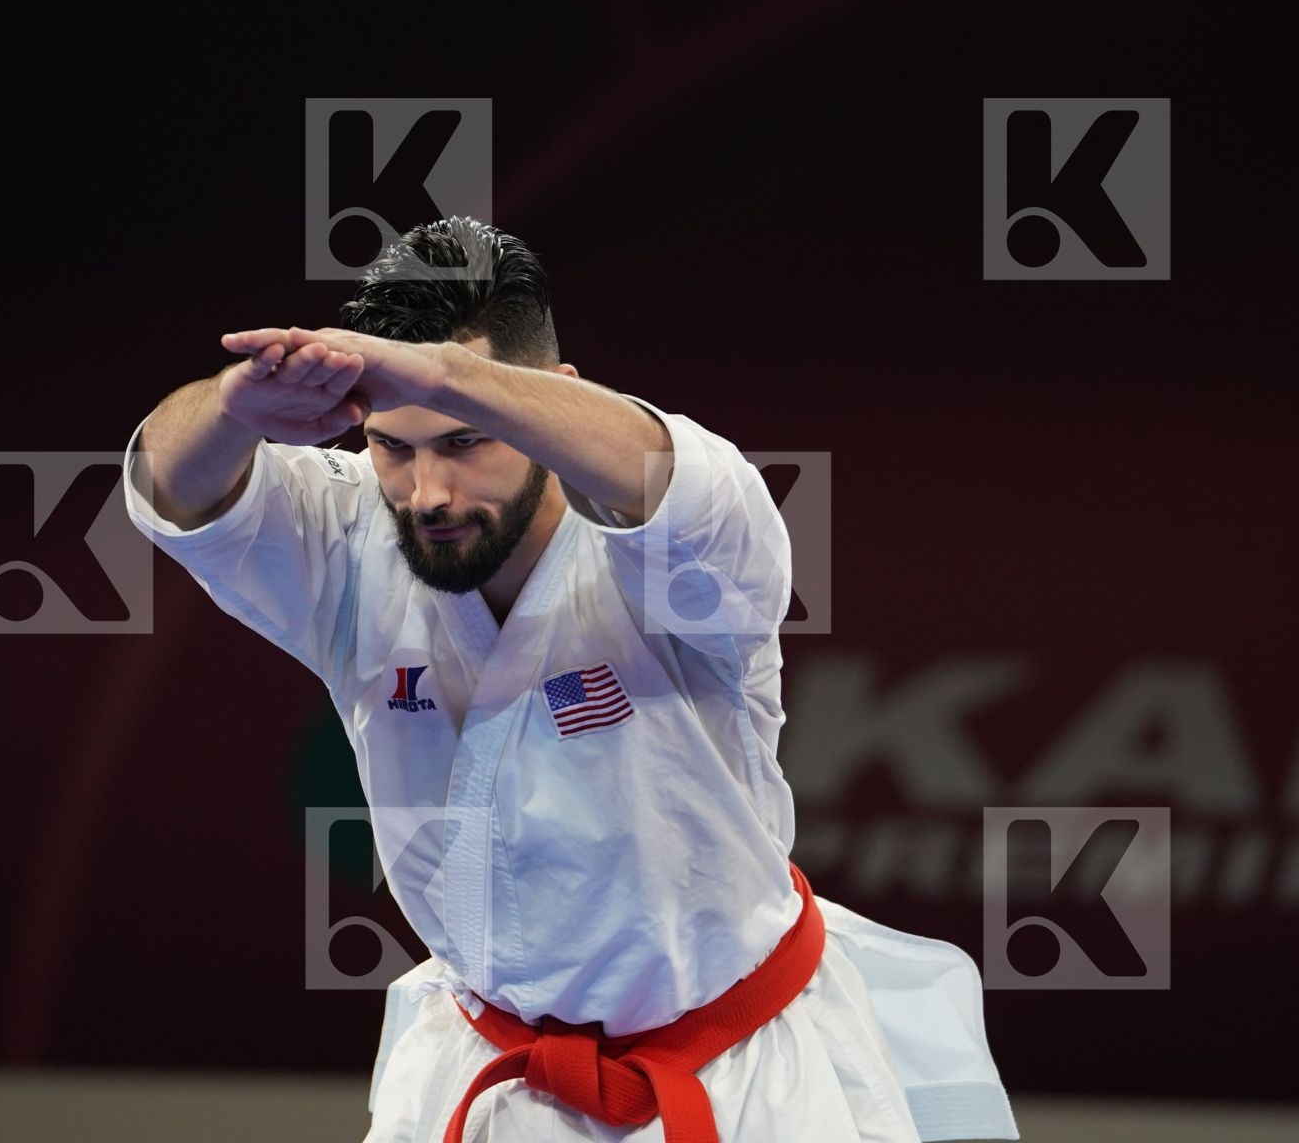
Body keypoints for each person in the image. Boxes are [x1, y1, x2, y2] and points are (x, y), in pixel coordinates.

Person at [121, 217, 1017, 1142]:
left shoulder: (679, 550)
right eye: (394, 447)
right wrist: (234, 405)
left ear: (546, 399)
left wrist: (451, 374)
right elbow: (171, 491)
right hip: (491, 1073)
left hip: (748, 1076)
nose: (427, 490)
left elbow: (666, 474)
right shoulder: (355, 541)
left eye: (466, 439)